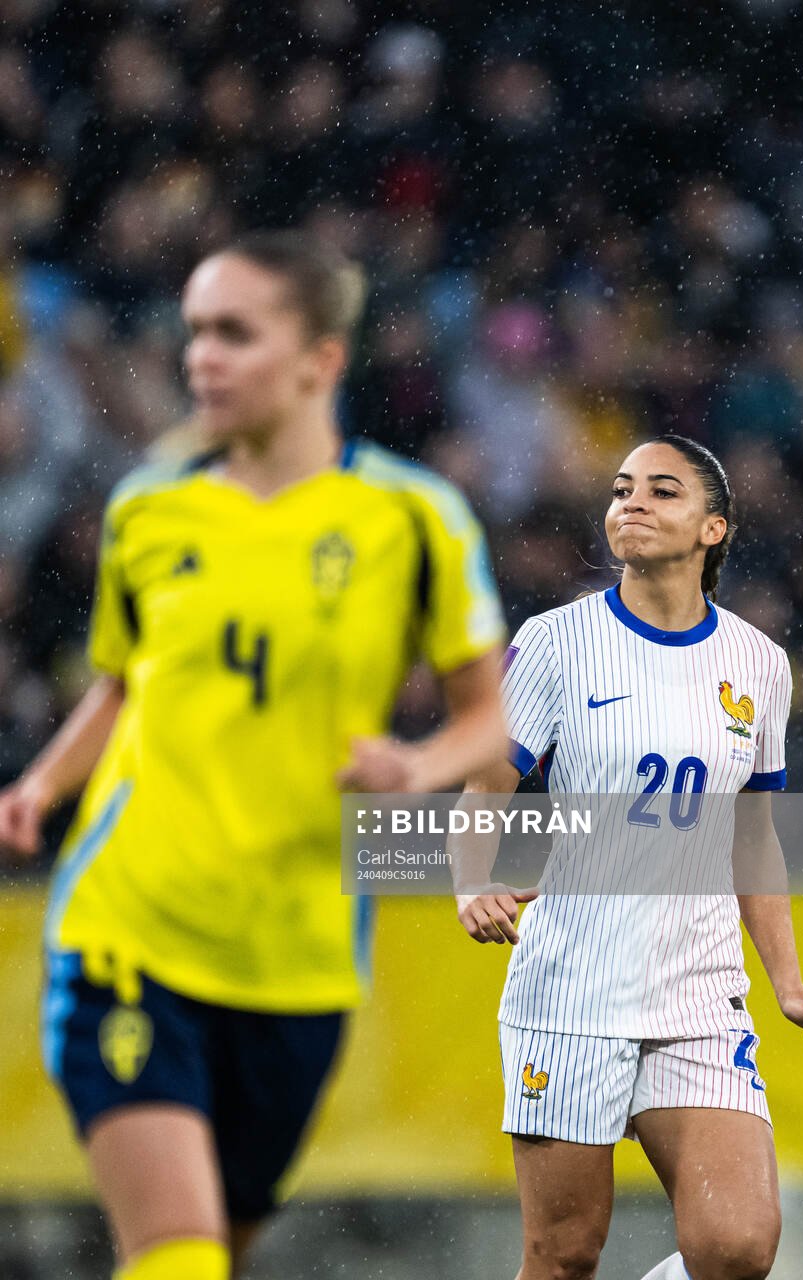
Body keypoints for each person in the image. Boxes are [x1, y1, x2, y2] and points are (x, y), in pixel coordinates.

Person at [0, 230, 507, 1280]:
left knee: (208, 1255)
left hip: (298, 958)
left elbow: (490, 714)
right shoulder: (149, 508)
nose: (202, 359)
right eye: (194, 333)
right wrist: (46, 781)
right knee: (177, 1252)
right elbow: (125, 681)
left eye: (234, 333)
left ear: (320, 358)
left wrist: (415, 770)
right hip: (131, 923)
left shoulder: (413, 518)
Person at [456, 435, 803, 1280]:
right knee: (562, 1257)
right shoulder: (556, 643)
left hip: (699, 993)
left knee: (737, 1247)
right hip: (571, 989)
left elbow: (752, 836)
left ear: (712, 529)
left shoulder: (758, 663)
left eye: (661, 492)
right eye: (622, 488)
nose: (630, 502)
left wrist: (785, 982)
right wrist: (469, 883)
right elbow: (483, 789)